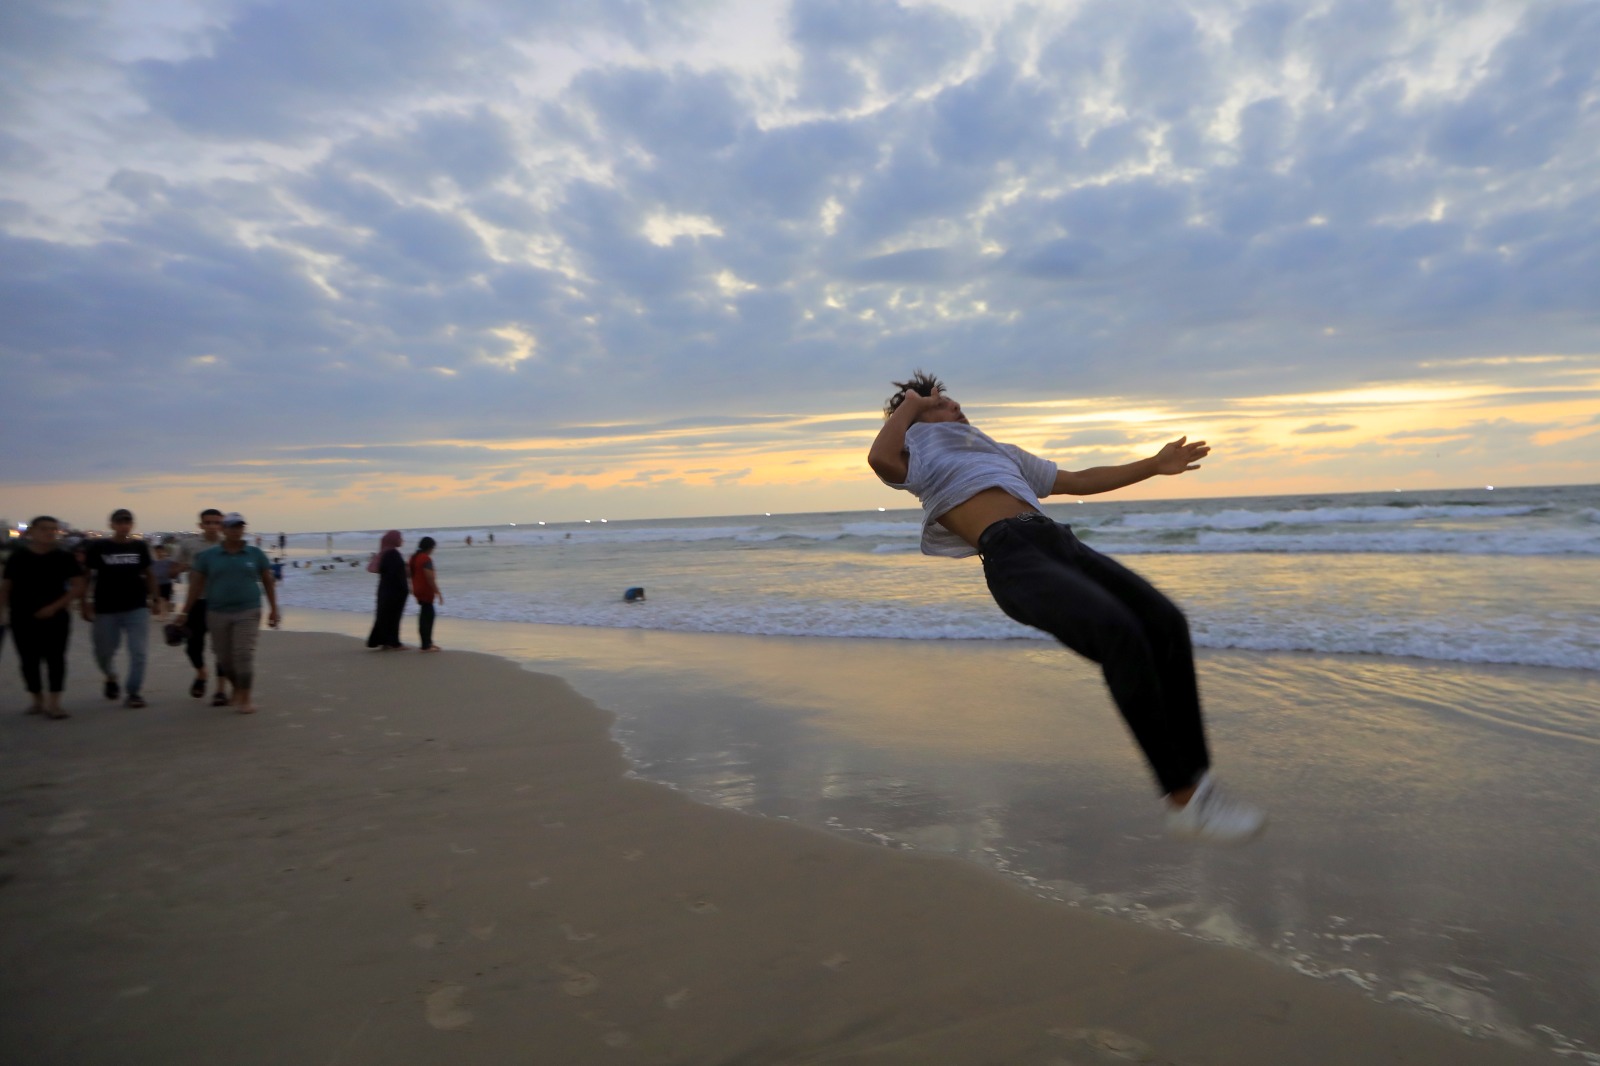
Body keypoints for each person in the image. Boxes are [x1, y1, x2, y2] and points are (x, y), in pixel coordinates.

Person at [867, 372, 1265, 844]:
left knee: (1165, 621)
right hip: (1012, 556)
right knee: (1118, 632)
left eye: (954, 403)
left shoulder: (995, 449)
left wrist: (1154, 464)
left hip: (1057, 540)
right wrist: (911, 406)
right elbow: (880, 460)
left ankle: (1199, 784)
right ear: (914, 418)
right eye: (944, 405)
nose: (957, 409)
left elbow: (1077, 480)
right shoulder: (919, 453)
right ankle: (1181, 795)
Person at [175, 513, 279, 714]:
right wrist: (184, 611)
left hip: (248, 610)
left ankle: (246, 698)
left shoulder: (255, 554)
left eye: (239, 526)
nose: (236, 530)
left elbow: (268, 581)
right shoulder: (208, 557)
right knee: (224, 659)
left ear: (243, 529)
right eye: (231, 526)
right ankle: (237, 688)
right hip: (217, 612)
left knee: (243, 654)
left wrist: (274, 609)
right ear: (224, 529)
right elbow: (196, 586)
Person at [1, 516, 85, 719]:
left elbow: (78, 585)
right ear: (32, 532)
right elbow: (6, 587)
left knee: (56, 659)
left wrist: (56, 606)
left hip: (56, 616)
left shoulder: (64, 557)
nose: (49, 533)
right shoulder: (18, 557)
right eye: (45, 529)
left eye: (54, 530)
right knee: (28, 660)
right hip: (22, 616)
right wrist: (2, 611)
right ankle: (37, 699)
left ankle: (54, 703)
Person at [81, 508, 156, 709]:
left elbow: (148, 573)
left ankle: (134, 692)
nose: (124, 525)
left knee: (138, 652)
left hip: (136, 607)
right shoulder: (99, 547)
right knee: (104, 652)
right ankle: (111, 676)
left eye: (128, 522)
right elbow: (87, 575)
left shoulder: (140, 546)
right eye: (120, 522)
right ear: (112, 525)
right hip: (106, 608)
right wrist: (84, 602)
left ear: (132, 525)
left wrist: (157, 599)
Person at [173, 509, 229, 705]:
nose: (213, 526)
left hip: (222, 602)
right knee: (192, 647)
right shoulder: (189, 544)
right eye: (208, 522)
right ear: (201, 525)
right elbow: (173, 569)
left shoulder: (228, 545)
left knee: (222, 649)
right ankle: (202, 674)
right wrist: (185, 566)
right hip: (197, 601)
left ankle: (221, 690)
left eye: (217, 523)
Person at [366, 530, 409, 650]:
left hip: (385, 589)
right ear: (393, 540)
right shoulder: (393, 554)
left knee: (385, 615)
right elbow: (396, 574)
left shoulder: (384, 553)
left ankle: (385, 641)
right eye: (400, 538)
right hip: (394, 591)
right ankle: (394, 643)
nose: (402, 540)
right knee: (394, 616)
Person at [409, 536, 443, 652]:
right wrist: (437, 591)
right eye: (433, 548)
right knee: (428, 616)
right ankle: (426, 644)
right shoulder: (426, 559)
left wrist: (411, 587)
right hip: (425, 589)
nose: (433, 550)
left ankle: (427, 643)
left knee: (424, 615)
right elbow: (429, 577)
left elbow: (408, 574)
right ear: (429, 547)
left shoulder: (413, 558)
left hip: (417, 588)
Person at [151, 544, 175, 618]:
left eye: (160, 552)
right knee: (159, 599)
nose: (159, 553)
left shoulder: (168, 561)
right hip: (157, 583)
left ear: (164, 551)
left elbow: (172, 570)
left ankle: (164, 613)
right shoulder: (153, 562)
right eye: (157, 552)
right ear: (154, 552)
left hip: (166, 582)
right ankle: (163, 613)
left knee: (165, 599)